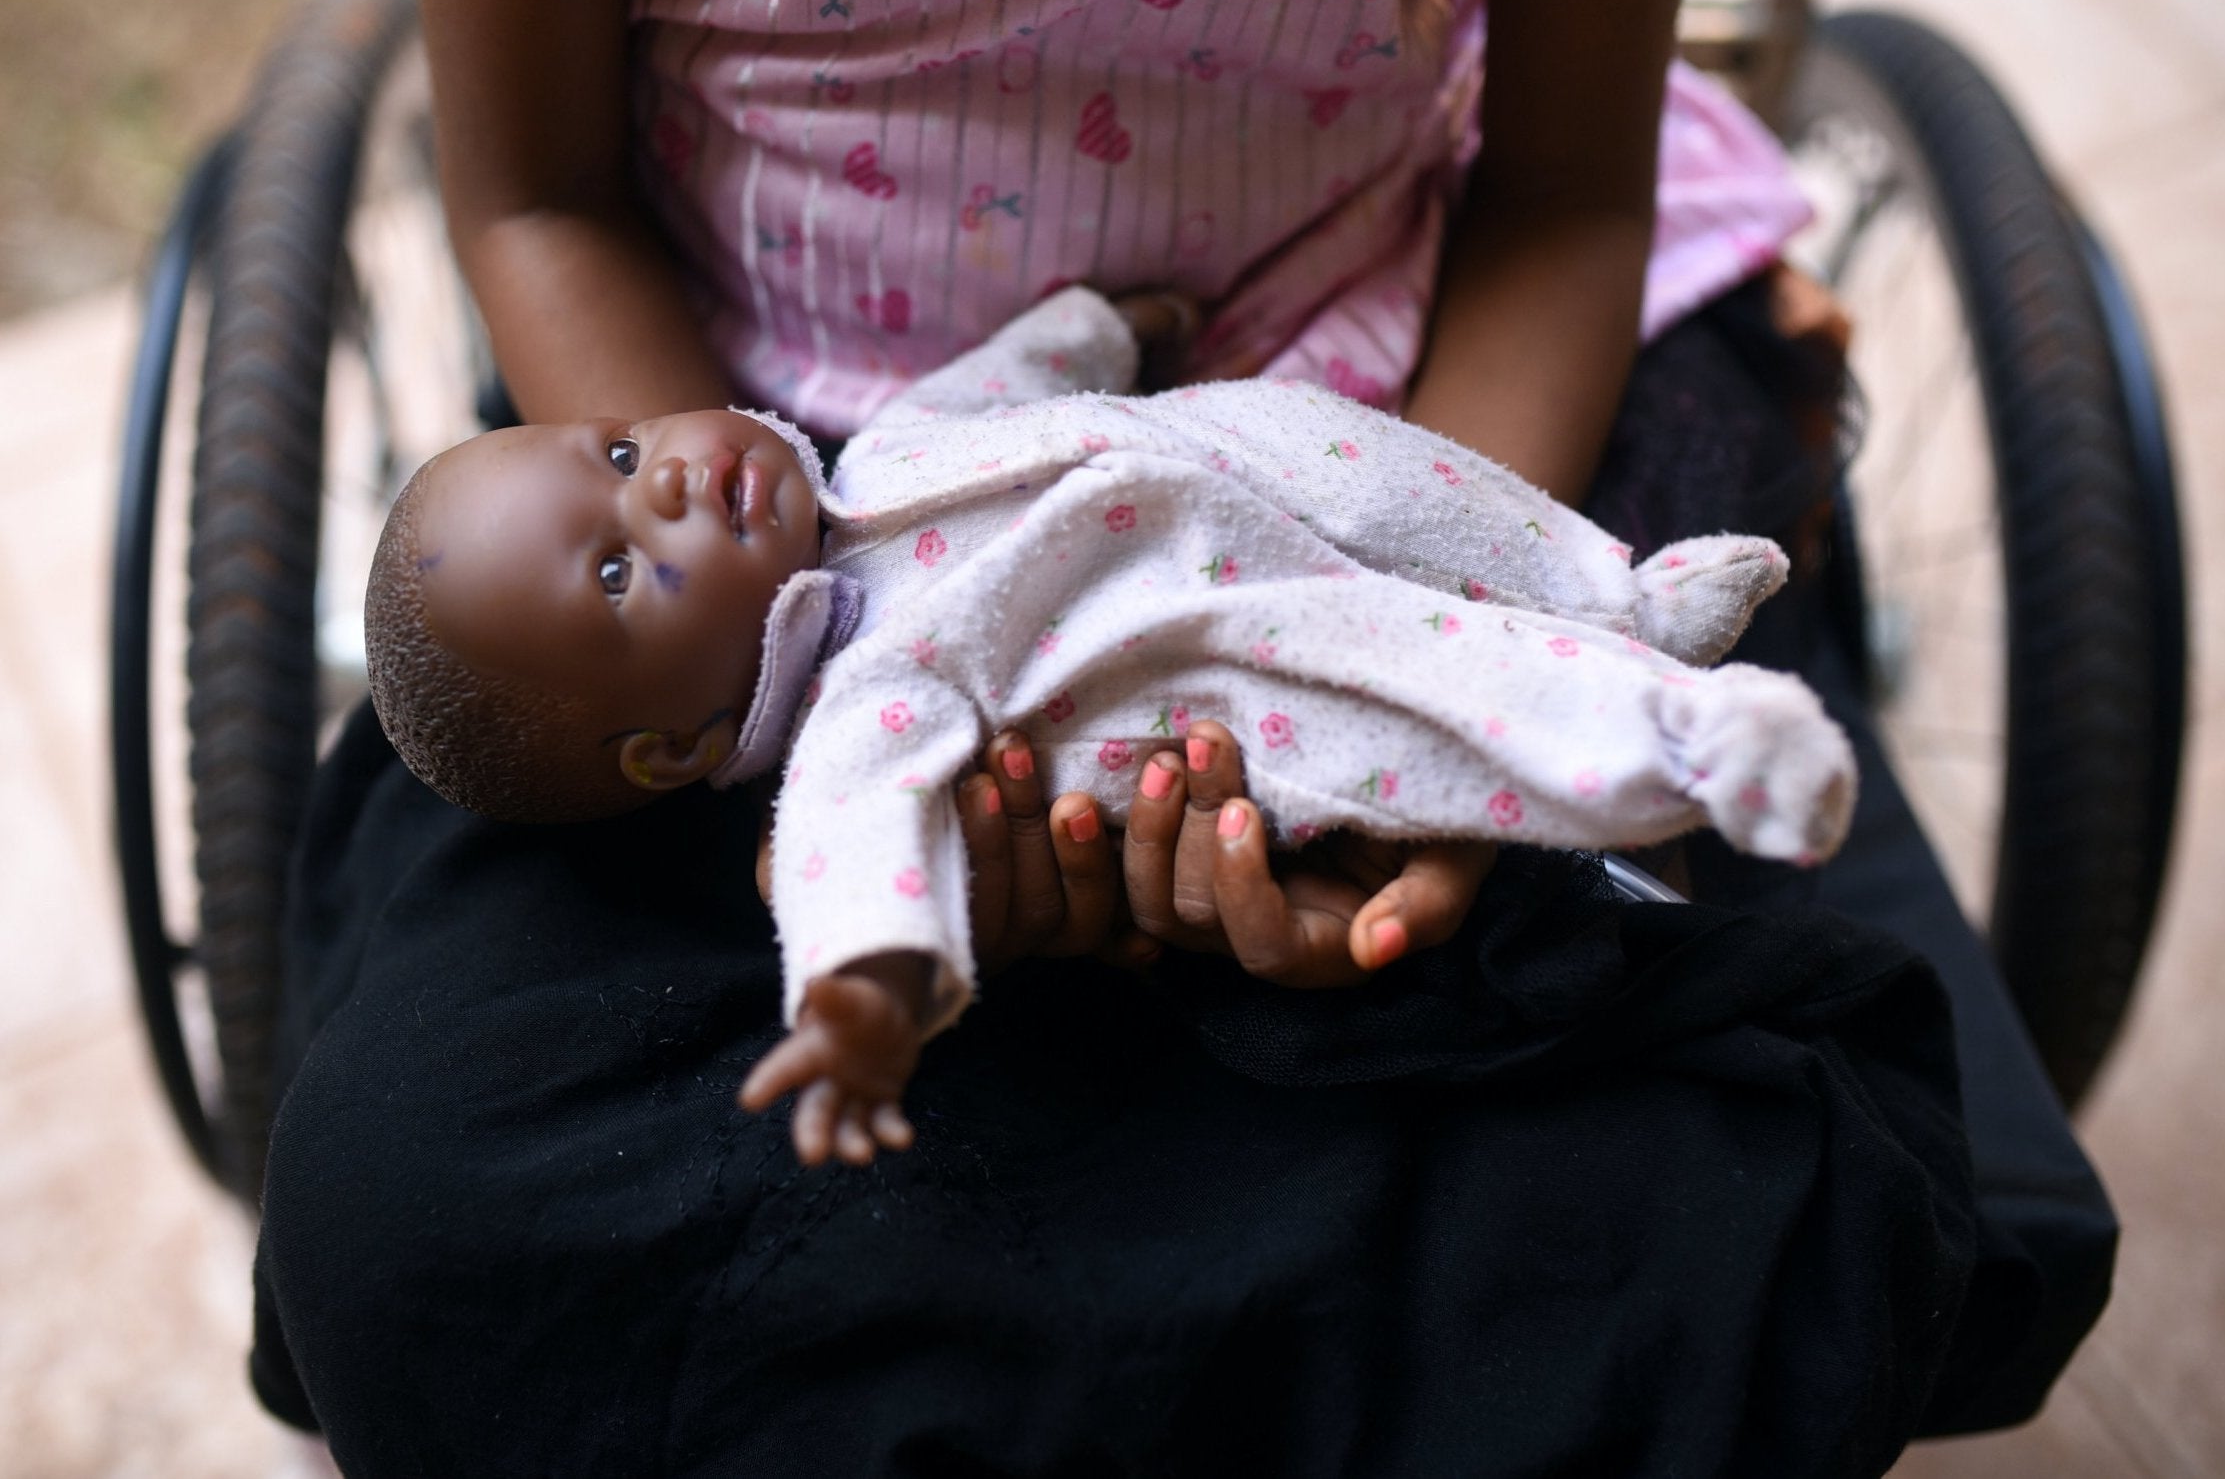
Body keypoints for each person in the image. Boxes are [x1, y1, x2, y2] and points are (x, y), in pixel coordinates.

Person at [244, 0, 2111, 1471]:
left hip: (1385, 452)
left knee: (1754, 1220)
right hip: (788, 534)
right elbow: (536, 197)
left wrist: (1414, 709)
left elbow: (1560, 199)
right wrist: (790, 692)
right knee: (403, 1229)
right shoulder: (718, 548)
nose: (645, 503)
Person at [365, 287, 1857, 1164]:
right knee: (1420, 673)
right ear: (679, 749)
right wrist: (864, 993)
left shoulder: (881, 453)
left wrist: (1096, 328)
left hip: (1268, 455)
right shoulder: (863, 707)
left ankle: (1620, 604)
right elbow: (849, 842)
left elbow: (1007, 376)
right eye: (619, 566)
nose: (669, 485)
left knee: (1442, 503)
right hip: (1222, 651)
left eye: (624, 453)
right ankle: (1676, 751)